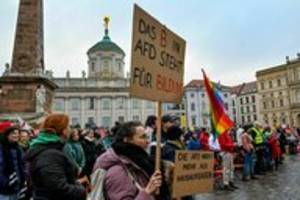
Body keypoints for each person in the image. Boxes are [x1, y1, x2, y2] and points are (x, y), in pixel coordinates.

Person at [93, 121, 170, 200]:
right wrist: (147, 191)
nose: (147, 141)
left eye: (147, 137)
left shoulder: (140, 162)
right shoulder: (117, 170)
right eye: (142, 137)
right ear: (127, 140)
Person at [26, 113, 87, 200]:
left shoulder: (53, 148)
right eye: (68, 126)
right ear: (62, 130)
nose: (70, 129)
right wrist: (81, 191)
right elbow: (58, 187)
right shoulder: (50, 154)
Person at [0, 121, 26, 200]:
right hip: (3, 189)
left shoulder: (18, 148)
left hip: (17, 187)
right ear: (6, 135)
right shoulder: (1, 148)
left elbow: (22, 165)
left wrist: (23, 180)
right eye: (13, 133)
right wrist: (6, 182)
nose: (16, 135)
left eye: (17, 133)